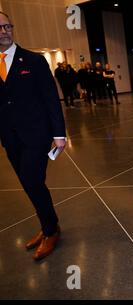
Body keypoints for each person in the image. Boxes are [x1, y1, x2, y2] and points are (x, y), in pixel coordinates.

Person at [0, 11, 66, 260]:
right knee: (28, 184)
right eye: (0, 28)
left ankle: (51, 230)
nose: (4, 31)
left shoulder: (34, 61)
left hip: (37, 135)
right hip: (10, 137)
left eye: (8, 26)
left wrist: (59, 134)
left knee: (32, 180)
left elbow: (51, 99)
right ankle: (49, 224)